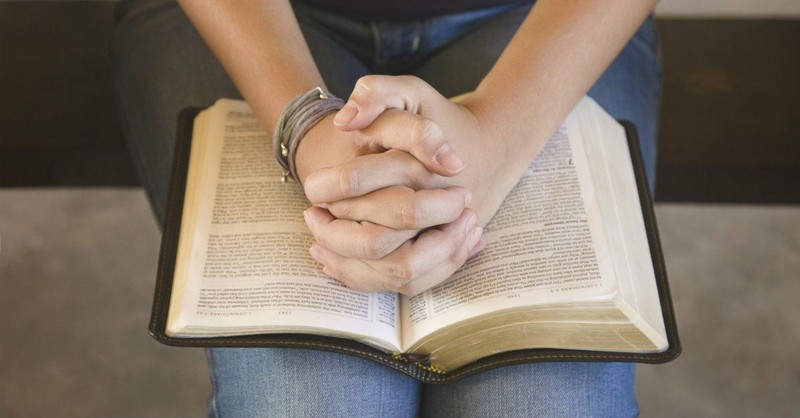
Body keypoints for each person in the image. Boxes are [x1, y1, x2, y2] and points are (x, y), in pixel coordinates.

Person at [113, 0, 661, 416]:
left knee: (549, 400)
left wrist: (499, 134)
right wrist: (303, 125)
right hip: (253, 20)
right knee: (311, 402)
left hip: (548, 18)